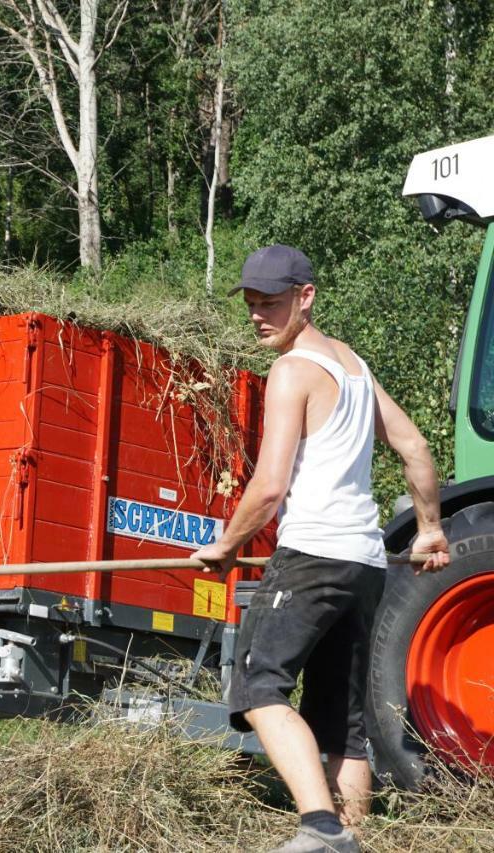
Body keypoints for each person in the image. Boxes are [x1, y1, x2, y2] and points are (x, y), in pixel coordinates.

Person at [191, 245, 450, 853]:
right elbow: (414, 447)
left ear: (306, 297)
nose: (258, 315)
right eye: (251, 304)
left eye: (271, 304)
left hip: (311, 557)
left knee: (259, 688)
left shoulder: (293, 370)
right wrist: (431, 529)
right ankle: (352, 838)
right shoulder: (354, 366)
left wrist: (226, 546)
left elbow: (271, 484)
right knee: (343, 721)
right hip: (362, 564)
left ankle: (321, 826)